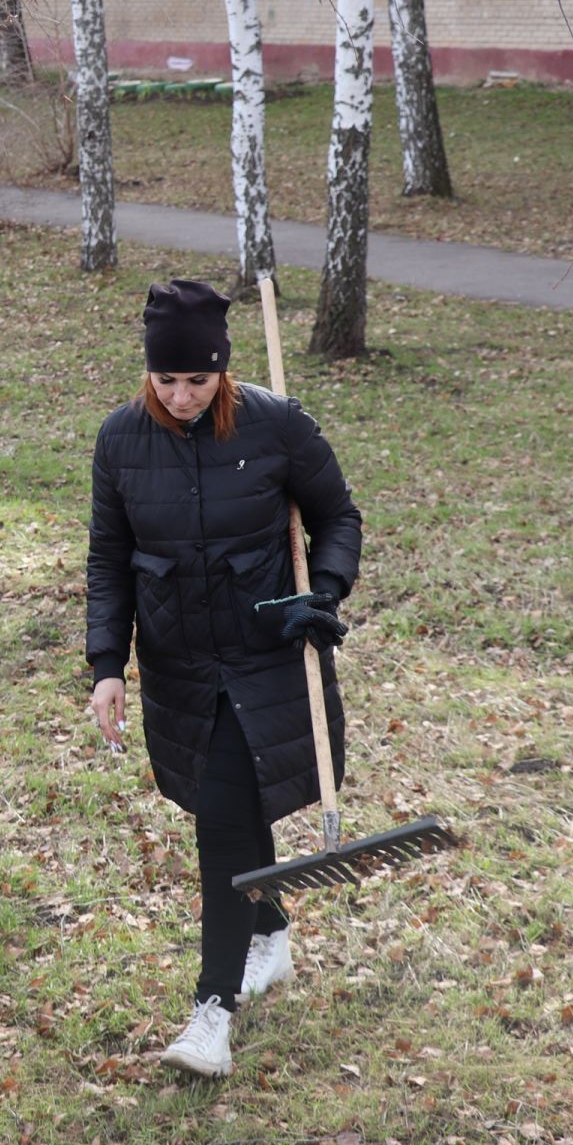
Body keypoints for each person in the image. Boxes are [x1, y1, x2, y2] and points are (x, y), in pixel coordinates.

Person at [84, 279, 362, 1077]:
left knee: (220, 830)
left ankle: (213, 1011)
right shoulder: (120, 441)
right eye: (165, 380)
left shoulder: (278, 426)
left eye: (197, 382)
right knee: (227, 811)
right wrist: (108, 664)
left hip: (267, 654)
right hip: (180, 668)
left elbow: (337, 516)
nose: (179, 397)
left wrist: (327, 592)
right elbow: (109, 560)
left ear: (224, 371)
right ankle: (269, 935)